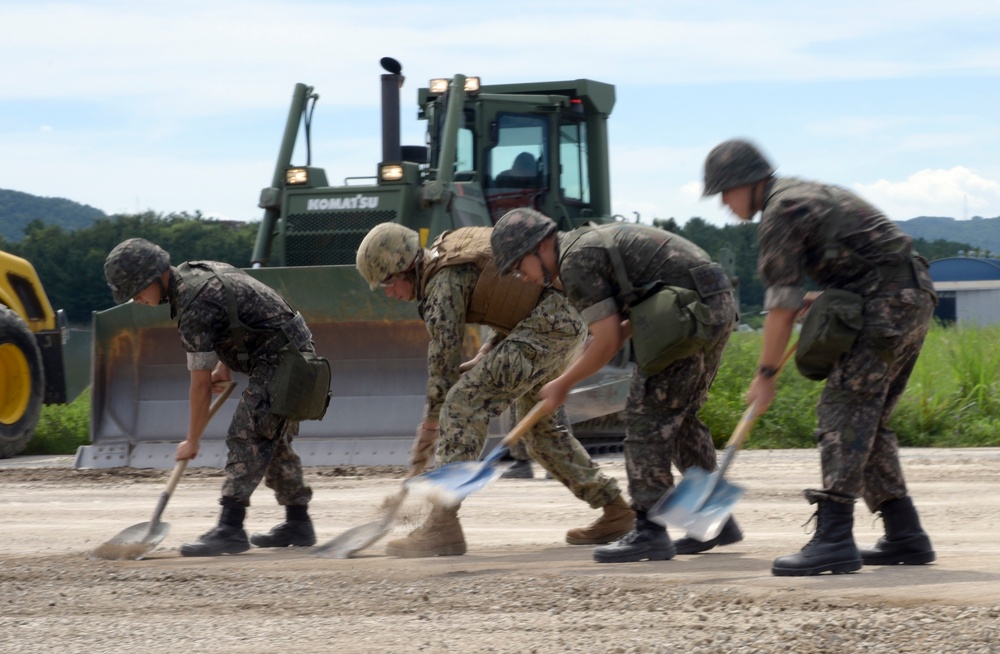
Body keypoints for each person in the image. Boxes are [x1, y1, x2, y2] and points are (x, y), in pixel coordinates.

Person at [702, 138, 938, 576]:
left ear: (745, 183)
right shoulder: (801, 193)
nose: (723, 204)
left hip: (886, 302)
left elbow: (781, 306)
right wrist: (826, 296)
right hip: (912, 293)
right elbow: (865, 256)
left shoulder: (779, 211)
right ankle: (905, 532)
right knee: (869, 421)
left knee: (842, 413)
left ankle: (833, 538)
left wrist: (766, 374)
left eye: (723, 193)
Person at [355, 222, 634, 557]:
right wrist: (487, 353)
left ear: (405, 267)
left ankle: (442, 526)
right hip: (560, 320)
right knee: (541, 434)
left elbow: (442, 363)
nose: (388, 292)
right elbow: (513, 294)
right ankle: (616, 510)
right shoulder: (449, 253)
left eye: (387, 282)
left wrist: (431, 424)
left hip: (548, 326)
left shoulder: (440, 284)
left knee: (462, 404)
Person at [490, 209, 740, 563]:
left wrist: (563, 383)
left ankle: (650, 531)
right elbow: (623, 327)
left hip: (688, 309)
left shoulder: (574, 262)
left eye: (520, 265)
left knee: (644, 422)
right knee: (678, 418)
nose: (523, 277)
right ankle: (716, 520)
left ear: (543, 245)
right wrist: (570, 374)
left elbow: (607, 341)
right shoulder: (583, 248)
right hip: (713, 303)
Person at [103, 238, 319, 557]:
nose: (137, 299)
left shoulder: (193, 305)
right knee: (272, 442)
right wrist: (224, 366)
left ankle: (230, 528)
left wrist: (191, 440)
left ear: (154, 276)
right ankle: (298, 524)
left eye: (136, 290)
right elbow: (239, 317)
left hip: (285, 363)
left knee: (247, 434)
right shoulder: (199, 271)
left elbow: (200, 386)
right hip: (294, 356)